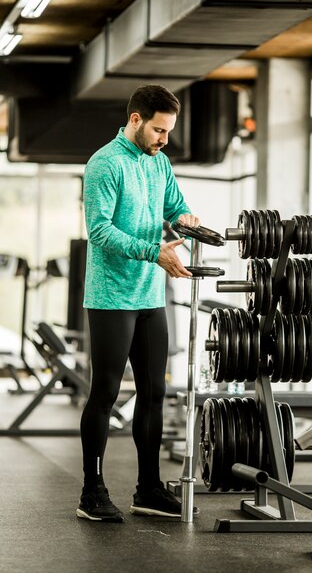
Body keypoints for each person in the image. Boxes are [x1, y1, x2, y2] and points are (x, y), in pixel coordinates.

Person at [76, 84, 200, 523]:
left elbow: (174, 204)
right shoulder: (104, 165)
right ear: (135, 120)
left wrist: (185, 217)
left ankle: (147, 488)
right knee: (106, 393)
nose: (164, 139)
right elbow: (101, 232)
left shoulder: (158, 162)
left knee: (154, 392)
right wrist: (155, 252)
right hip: (111, 296)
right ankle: (92, 492)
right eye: (159, 130)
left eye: (168, 131)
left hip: (150, 294)